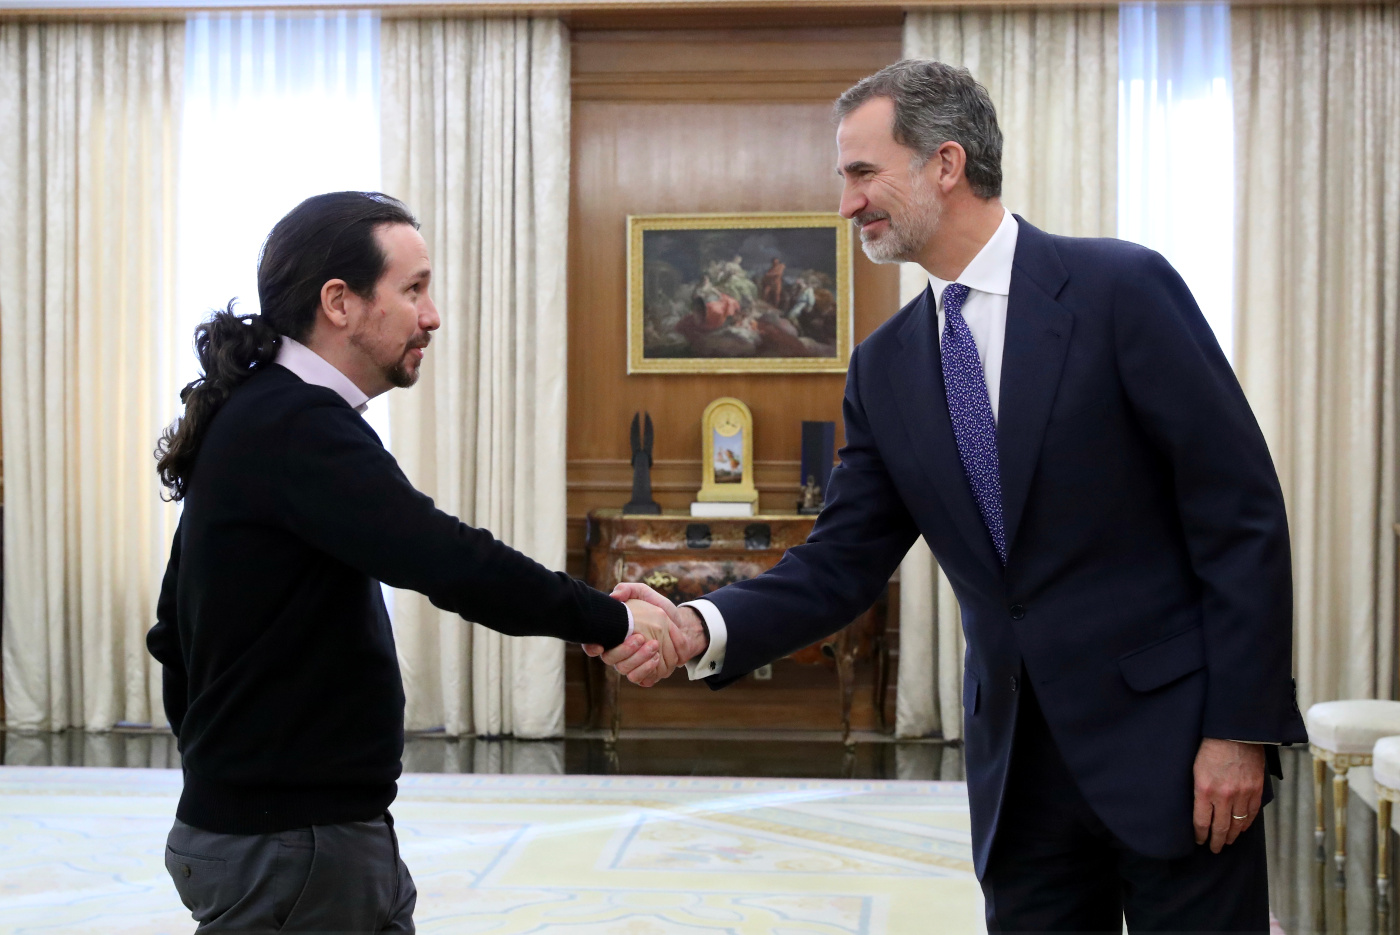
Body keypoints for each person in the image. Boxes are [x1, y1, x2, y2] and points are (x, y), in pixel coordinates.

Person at [595, 61, 1307, 932]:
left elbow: (1240, 517)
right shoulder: (885, 366)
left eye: (863, 174)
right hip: (1019, 779)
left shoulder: (1122, 290)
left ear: (946, 163)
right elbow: (842, 563)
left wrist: (1240, 728)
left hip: (1178, 753)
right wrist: (700, 625)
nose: (848, 204)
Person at [146, 191, 678, 933]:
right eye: (414, 289)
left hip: (296, 833)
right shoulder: (295, 424)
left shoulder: (264, 411)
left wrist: (227, 771)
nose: (431, 315)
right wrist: (612, 619)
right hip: (294, 847)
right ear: (339, 301)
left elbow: (172, 633)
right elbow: (447, 557)